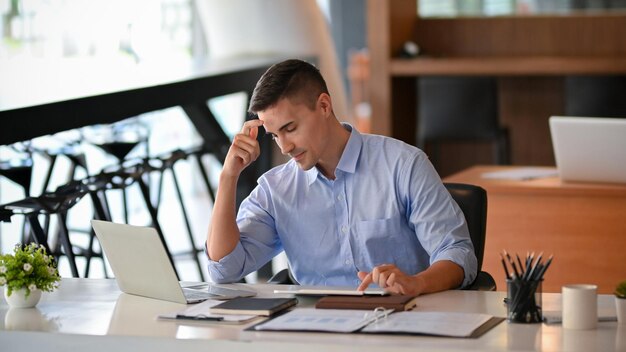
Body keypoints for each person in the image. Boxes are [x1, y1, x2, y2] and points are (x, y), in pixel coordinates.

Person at [206, 59, 477, 296]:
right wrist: (228, 176)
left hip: (400, 320)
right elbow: (224, 269)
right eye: (275, 135)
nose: (284, 147)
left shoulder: (403, 166)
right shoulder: (276, 190)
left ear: (324, 105)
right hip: (315, 330)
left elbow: (457, 253)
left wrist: (416, 283)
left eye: (290, 128)